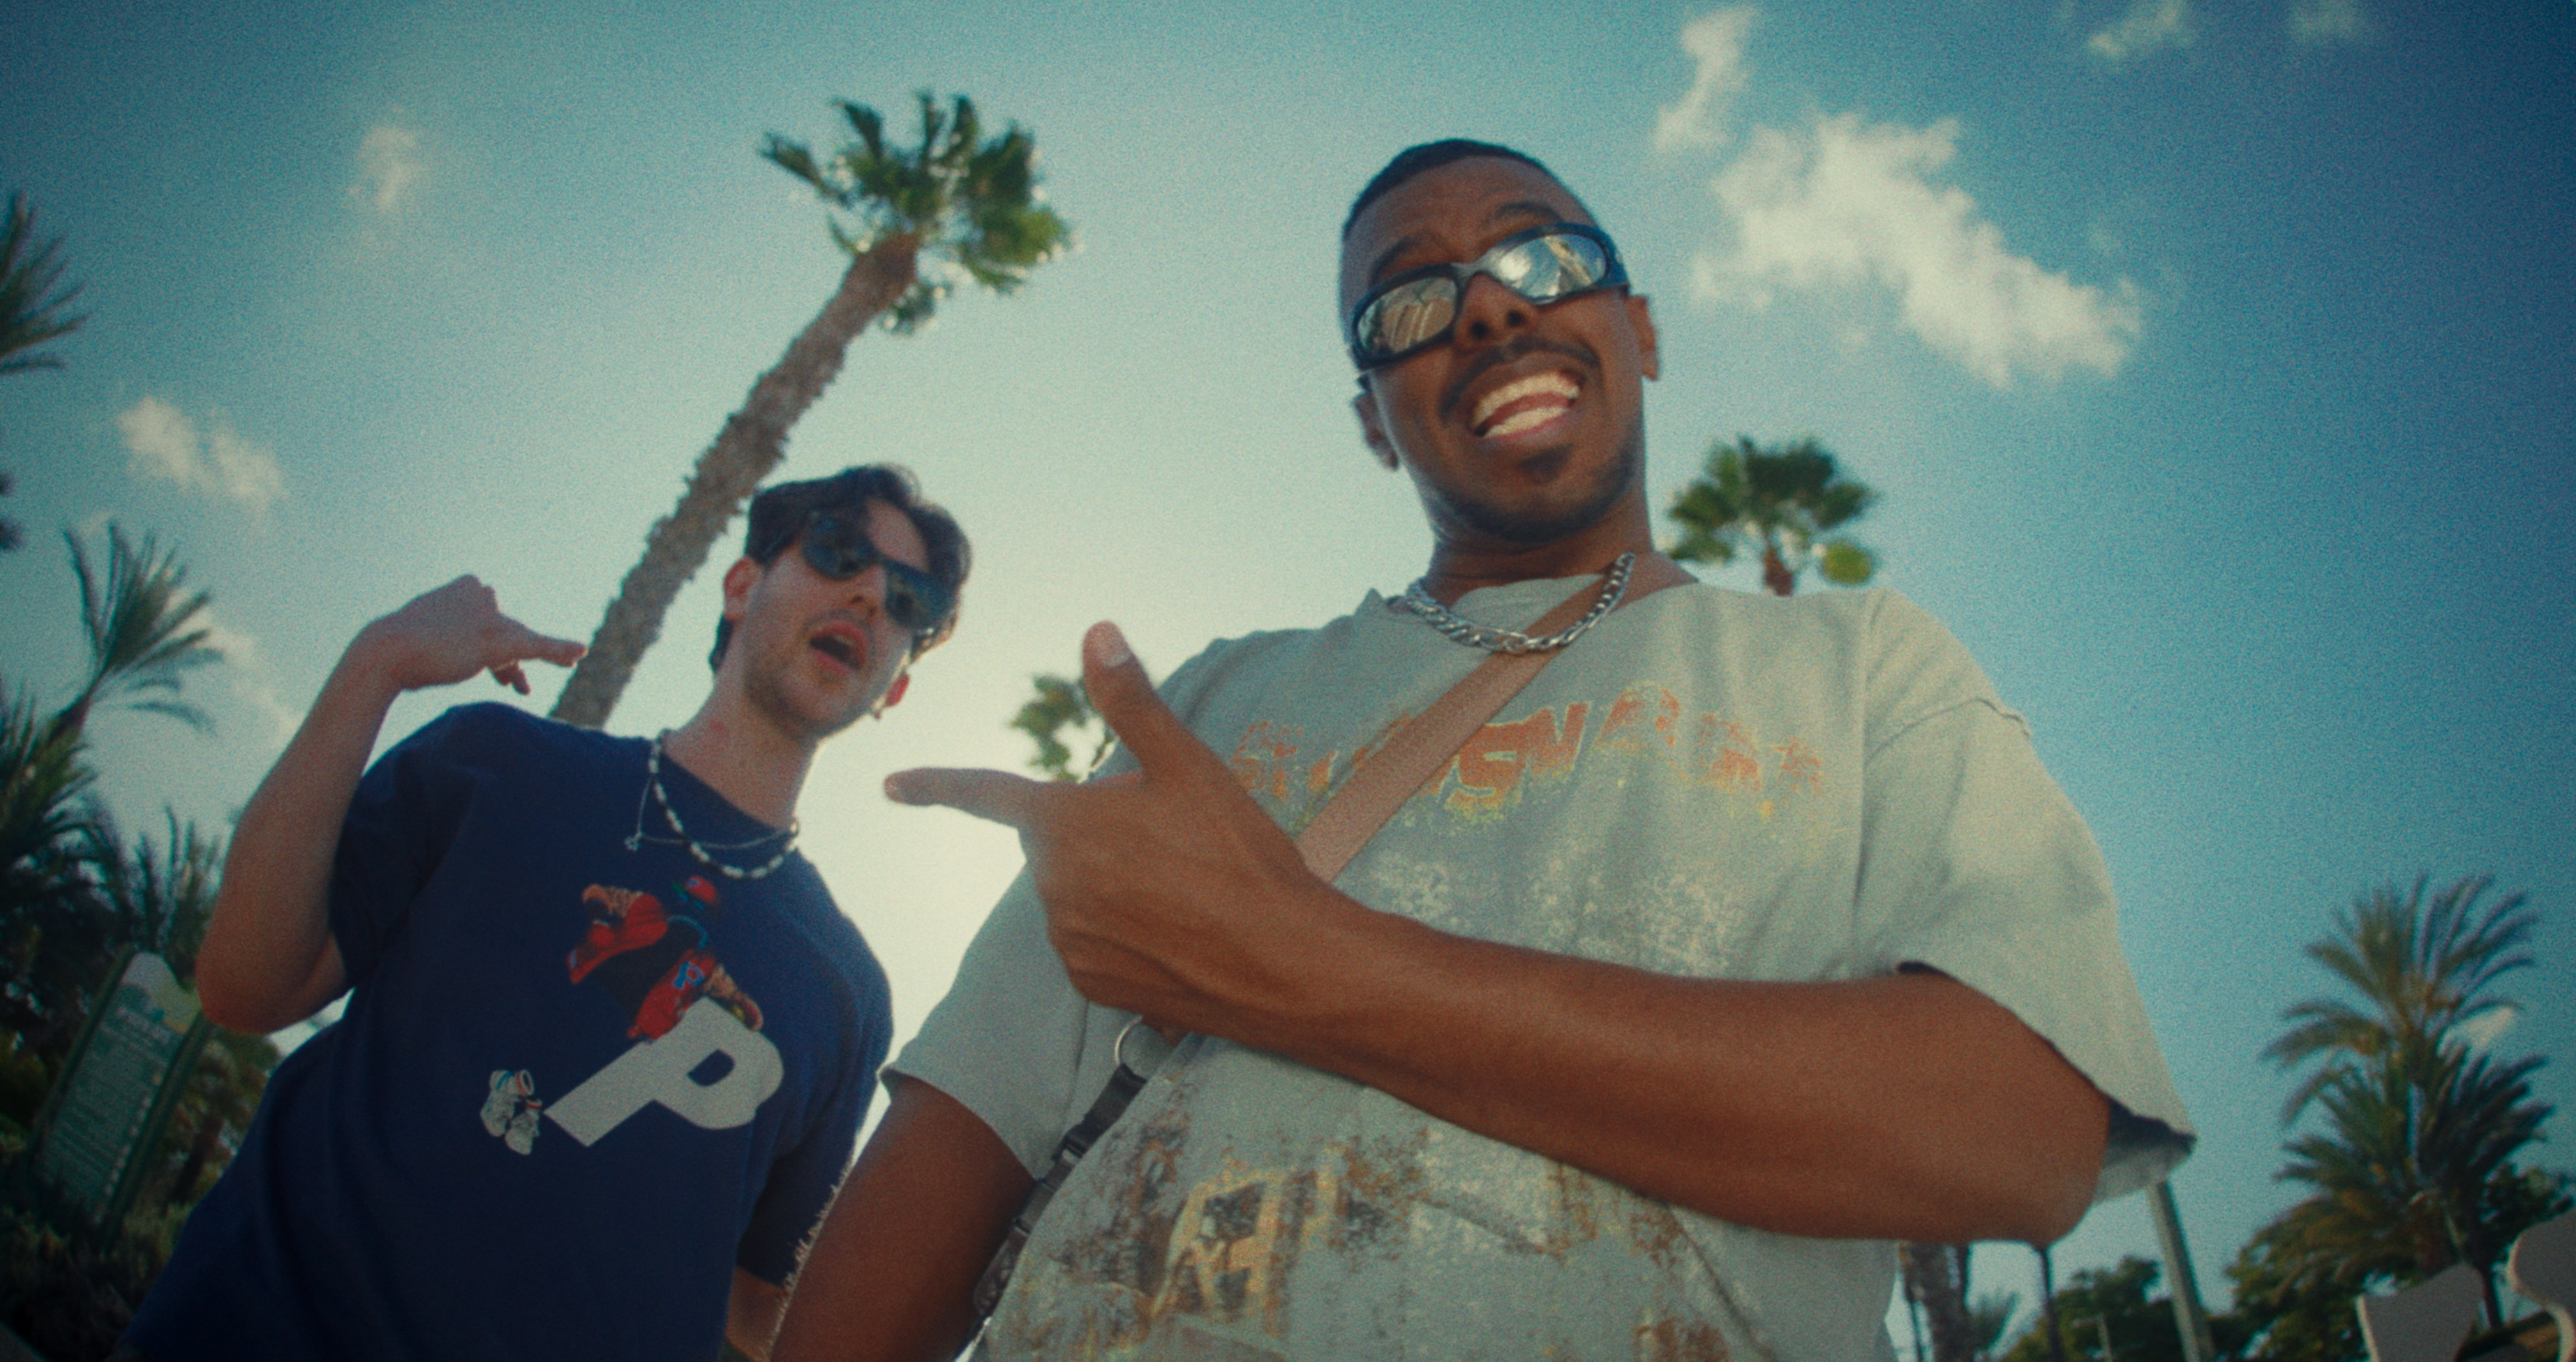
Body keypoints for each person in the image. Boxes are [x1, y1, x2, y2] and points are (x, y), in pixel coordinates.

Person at [772, 145, 2194, 1361]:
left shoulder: (1862, 666)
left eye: (1547, 257)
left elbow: (2018, 1127)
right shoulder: (1208, 701)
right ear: (1372, 421)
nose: (1495, 306)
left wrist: (1305, 968)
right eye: (1412, 300)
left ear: (1642, 328)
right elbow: (959, 1151)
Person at [124, 464, 971, 1362]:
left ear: (895, 688)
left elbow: (761, 1305)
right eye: (839, 550)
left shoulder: (846, 993)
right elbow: (246, 988)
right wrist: (379, 661)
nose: (870, 594)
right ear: (740, 585)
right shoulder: (495, 763)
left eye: (910, 600)